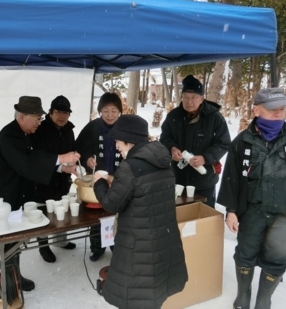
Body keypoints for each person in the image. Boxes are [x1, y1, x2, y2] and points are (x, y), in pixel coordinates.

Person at [217, 88, 286, 309]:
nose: (279, 114)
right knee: (245, 254)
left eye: (282, 109)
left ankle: (264, 300)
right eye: (272, 109)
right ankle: (243, 294)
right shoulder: (241, 143)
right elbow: (231, 179)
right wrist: (231, 210)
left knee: (277, 259)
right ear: (256, 110)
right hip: (252, 212)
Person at [0, 96, 80, 297]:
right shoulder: (9, 136)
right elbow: (27, 163)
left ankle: (14, 277)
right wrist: (62, 158)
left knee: (13, 241)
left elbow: (35, 160)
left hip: (16, 196)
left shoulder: (26, 133)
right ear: (23, 116)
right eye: (37, 118)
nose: (40, 123)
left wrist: (62, 168)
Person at [93, 114, 188, 309]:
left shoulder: (129, 167)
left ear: (129, 140)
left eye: (118, 140)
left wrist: (99, 183)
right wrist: (118, 184)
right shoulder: (162, 160)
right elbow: (145, 192)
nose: (117, 145)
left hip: (138, 246)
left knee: (135, 295)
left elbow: (111, 203)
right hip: (163, 240)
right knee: (154, 292)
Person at [160, 75, 230, 208]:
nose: (189, 101)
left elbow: (224, 143)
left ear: (202, 98)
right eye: (186, 97)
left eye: (193, 98)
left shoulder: (214, 117)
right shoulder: (173, 116)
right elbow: (164, 137)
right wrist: (172, 149)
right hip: (178, 179)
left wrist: (205, 157)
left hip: (204, 180)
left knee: (203, 218)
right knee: (179, 217)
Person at [75, 92, 123, 261]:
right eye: (105, 111)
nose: (110, 115)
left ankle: (117, 246)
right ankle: (97, 247)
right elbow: (78, 149)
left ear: (120, 112)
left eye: (114, 111)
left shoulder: (125, 128)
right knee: (96, 216)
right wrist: (87, 158)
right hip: (96, 180)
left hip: (119, 180)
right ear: (100, 111)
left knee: (116, 215)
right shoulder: (92, 127)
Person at [33, 95, 77, 263]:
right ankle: (43, 246)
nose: (62, 116)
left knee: (62, 210)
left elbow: (72, 151)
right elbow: (37, 158)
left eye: (66, 113)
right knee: (44, 211)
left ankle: (61, 240)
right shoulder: (41, 129)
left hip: (62, 179)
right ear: (50, 113)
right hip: (43, 179)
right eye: (58, 112)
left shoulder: (69, 130)